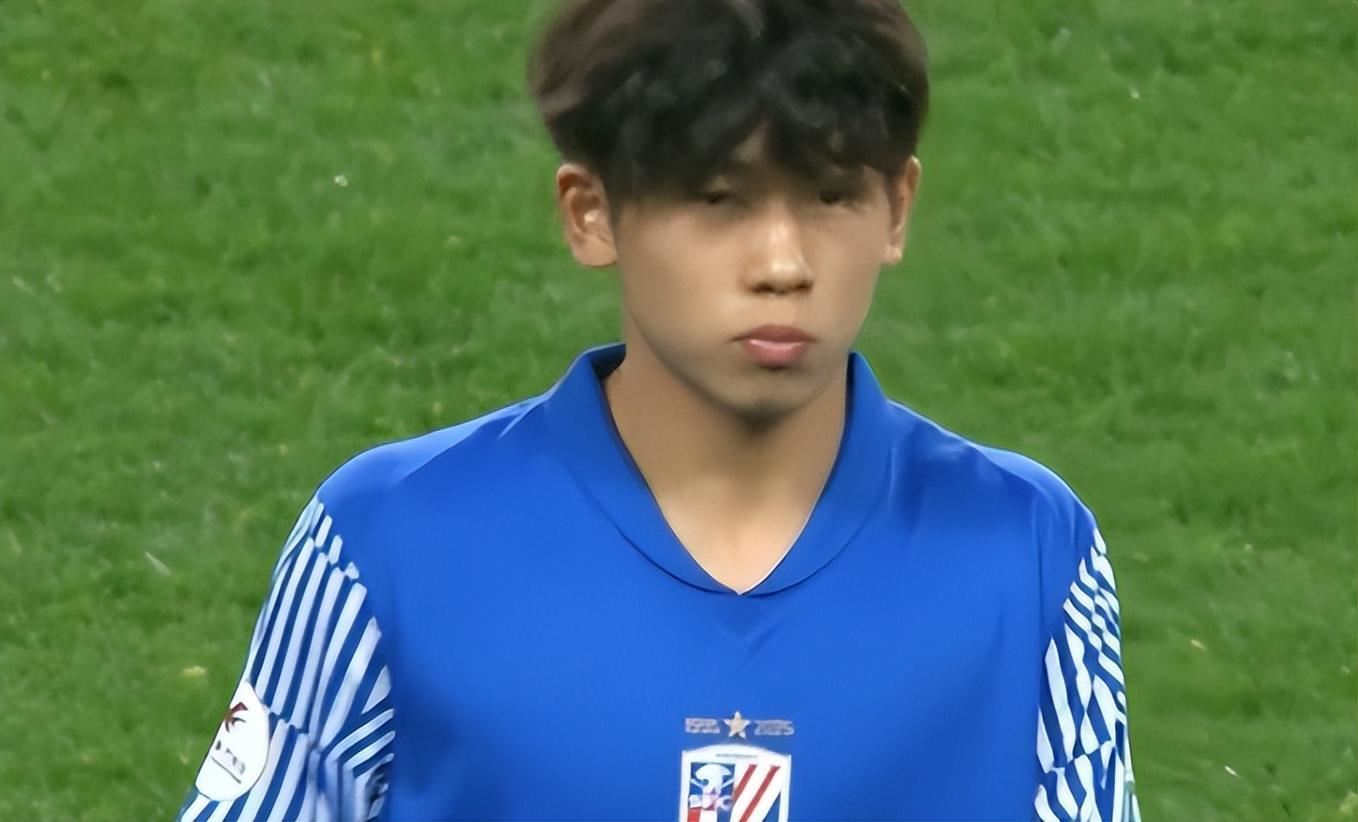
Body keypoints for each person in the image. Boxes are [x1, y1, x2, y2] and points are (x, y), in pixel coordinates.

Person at [176, 0, 1141, 819]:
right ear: (590, 213)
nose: (783, 265)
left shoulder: (1029, 550)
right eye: (719, 199)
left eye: (831, 196)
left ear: (897, 209)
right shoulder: (387, 540)